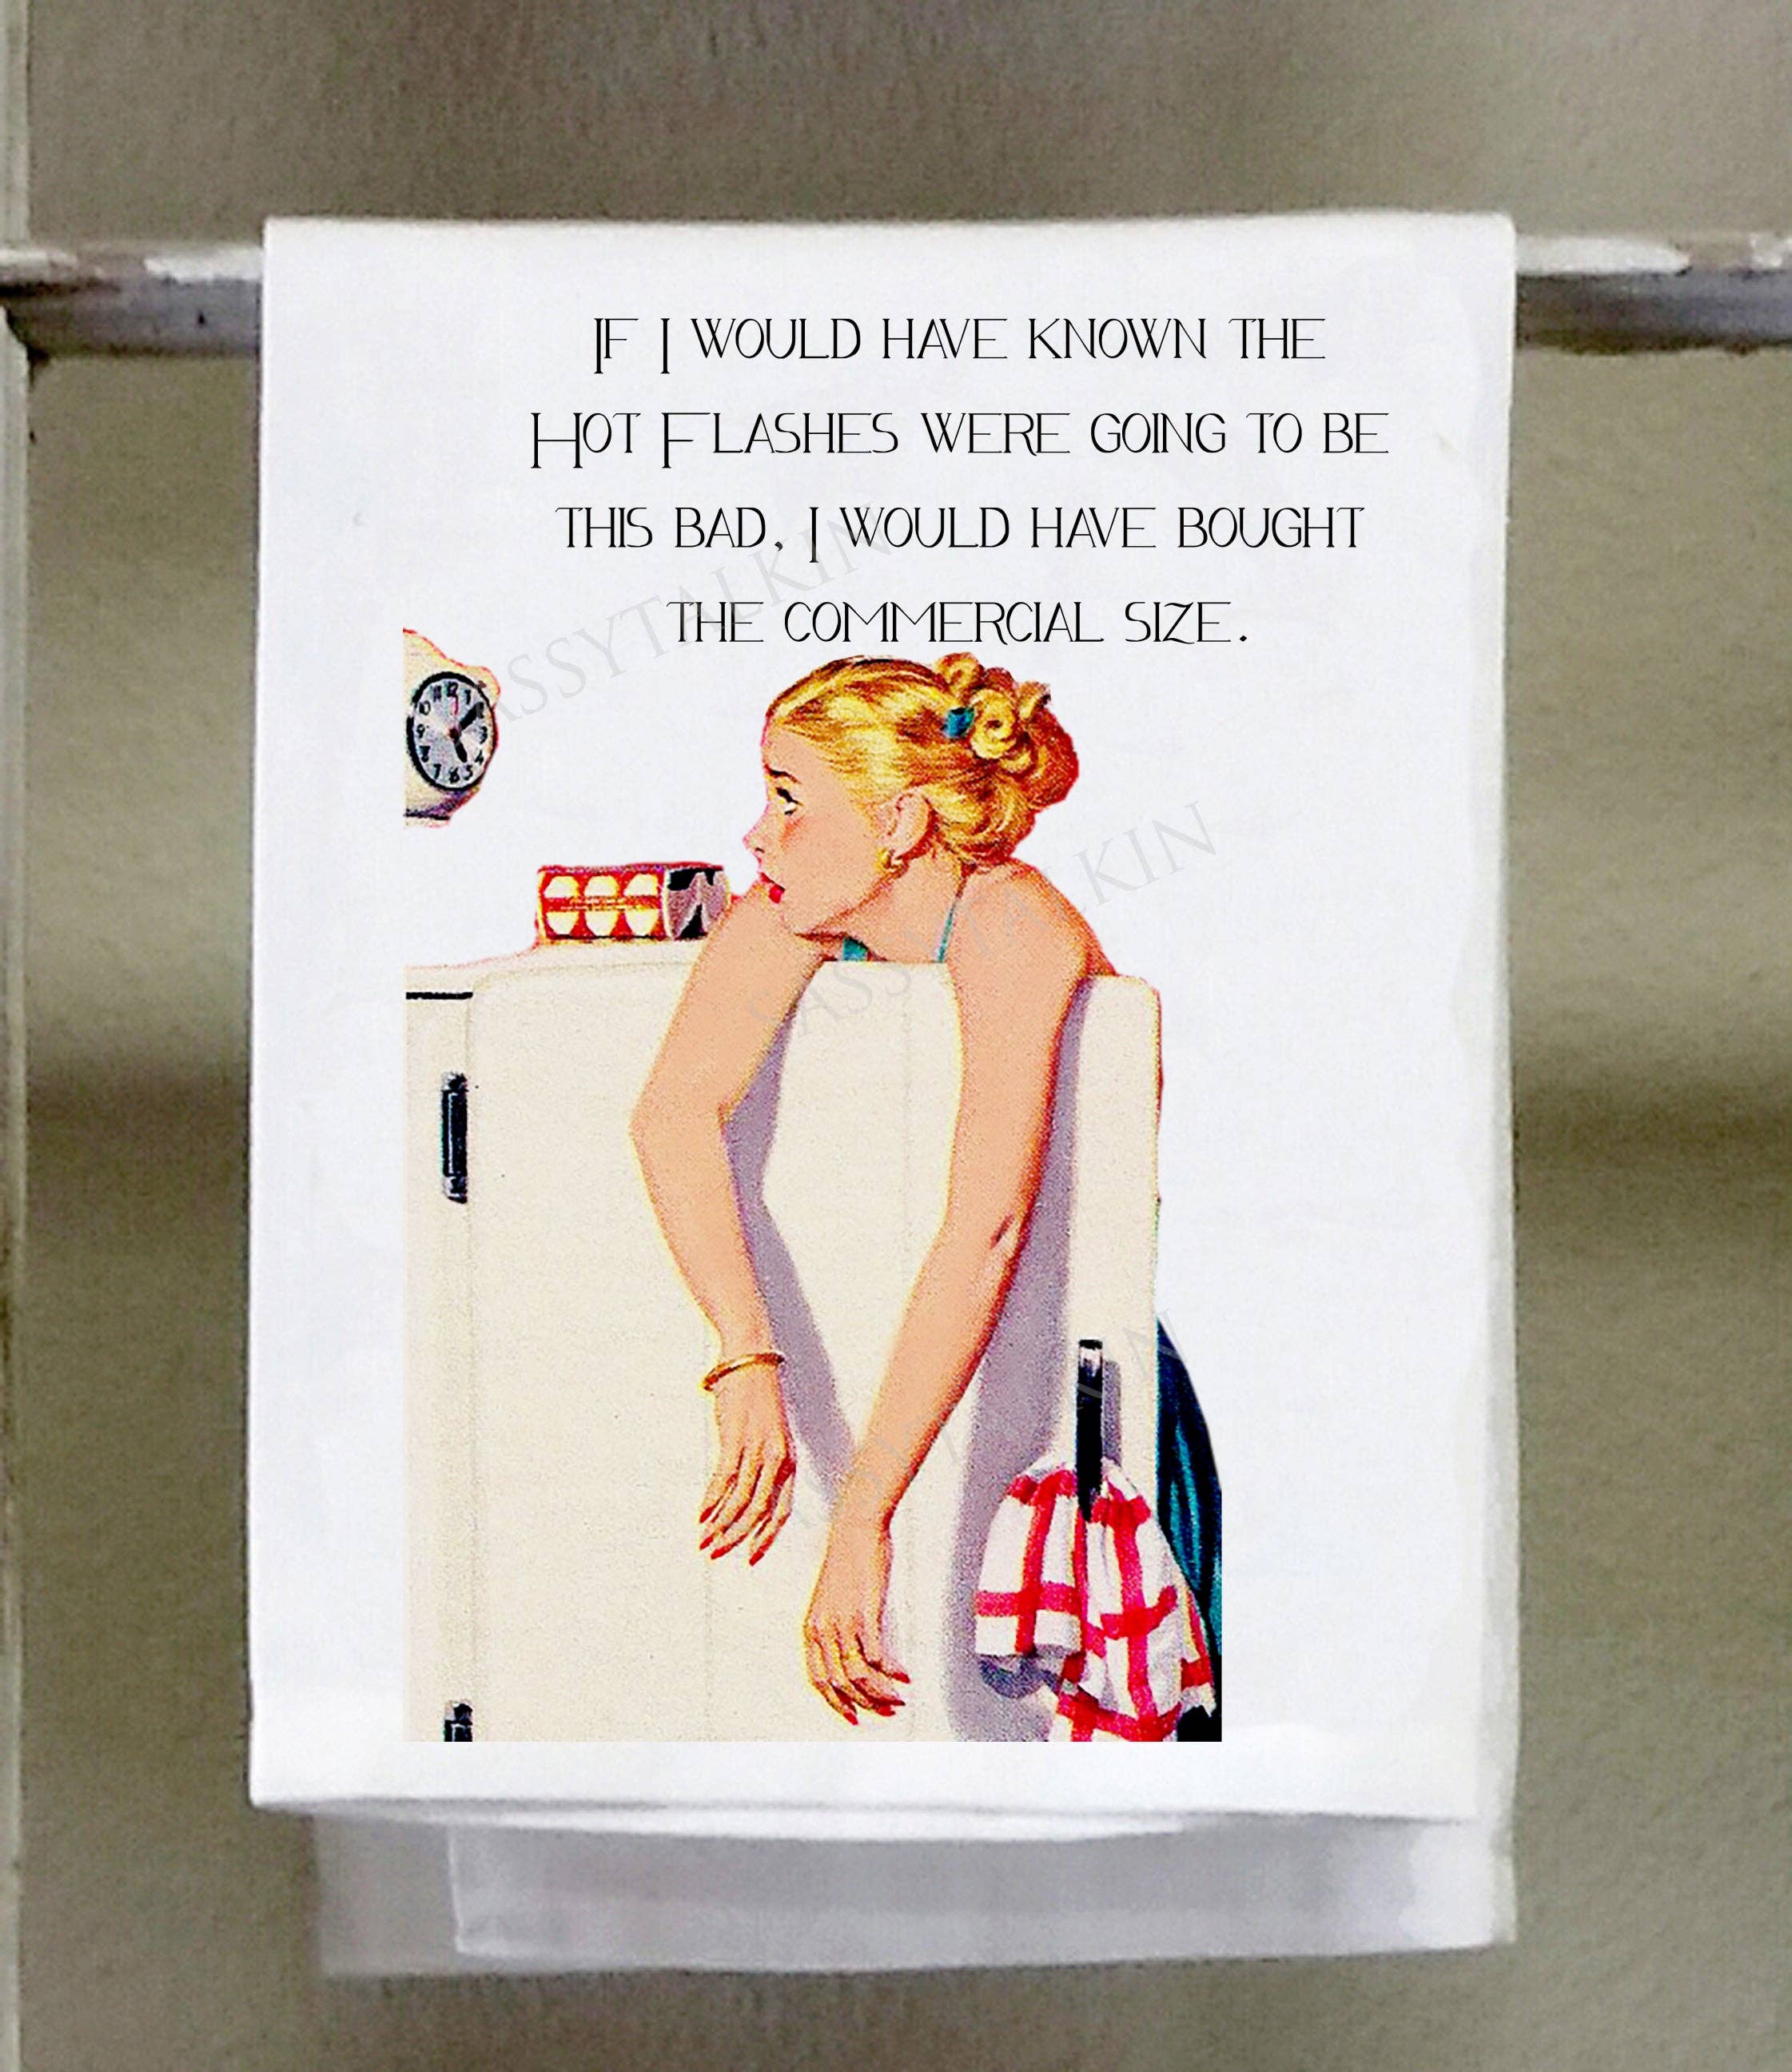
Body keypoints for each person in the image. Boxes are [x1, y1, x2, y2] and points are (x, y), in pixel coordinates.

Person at [629, 651, 1219, 1731]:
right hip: (915, 1369)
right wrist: (744, 1354)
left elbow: (987, 1232)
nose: (757, 834)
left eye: (789, 799)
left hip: (1072, 1375)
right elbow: (672, 1113)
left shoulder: (1011, 922)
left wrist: (861, 1523)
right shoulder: (789, 910)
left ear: (898, 823)